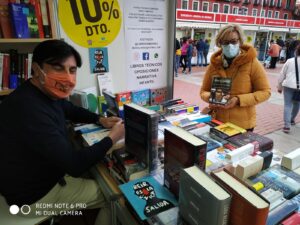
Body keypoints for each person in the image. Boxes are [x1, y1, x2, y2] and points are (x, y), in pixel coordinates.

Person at [0, 40, 125, 225]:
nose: (67, 77)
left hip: (31, 180)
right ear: (36, 69)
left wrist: (100, 119)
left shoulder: (37, 91)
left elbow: (67, 108)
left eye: (72, 70)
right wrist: (112, 137)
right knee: (114, 194)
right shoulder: (28, 109)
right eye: (58, 68)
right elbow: (74, 165)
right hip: (33, 197)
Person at [200, 24, 271, 131]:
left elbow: (265, 92)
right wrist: (211, 97)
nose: (229, 45)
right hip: (217, 121)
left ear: (240, 41)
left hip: (242, 125)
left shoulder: (252, 63)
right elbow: (203, 91)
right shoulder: (214, 65)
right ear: (220, 43)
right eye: (225, 42)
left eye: (233, 41)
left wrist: (238, 100)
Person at [277, 44, 300, 134]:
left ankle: (287, 126)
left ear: (297, 51)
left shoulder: (290, 61)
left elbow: (282, 74)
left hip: (288, 85)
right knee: (297, 104)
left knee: (288, 105)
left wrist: (279, 86)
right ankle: (292, 120)